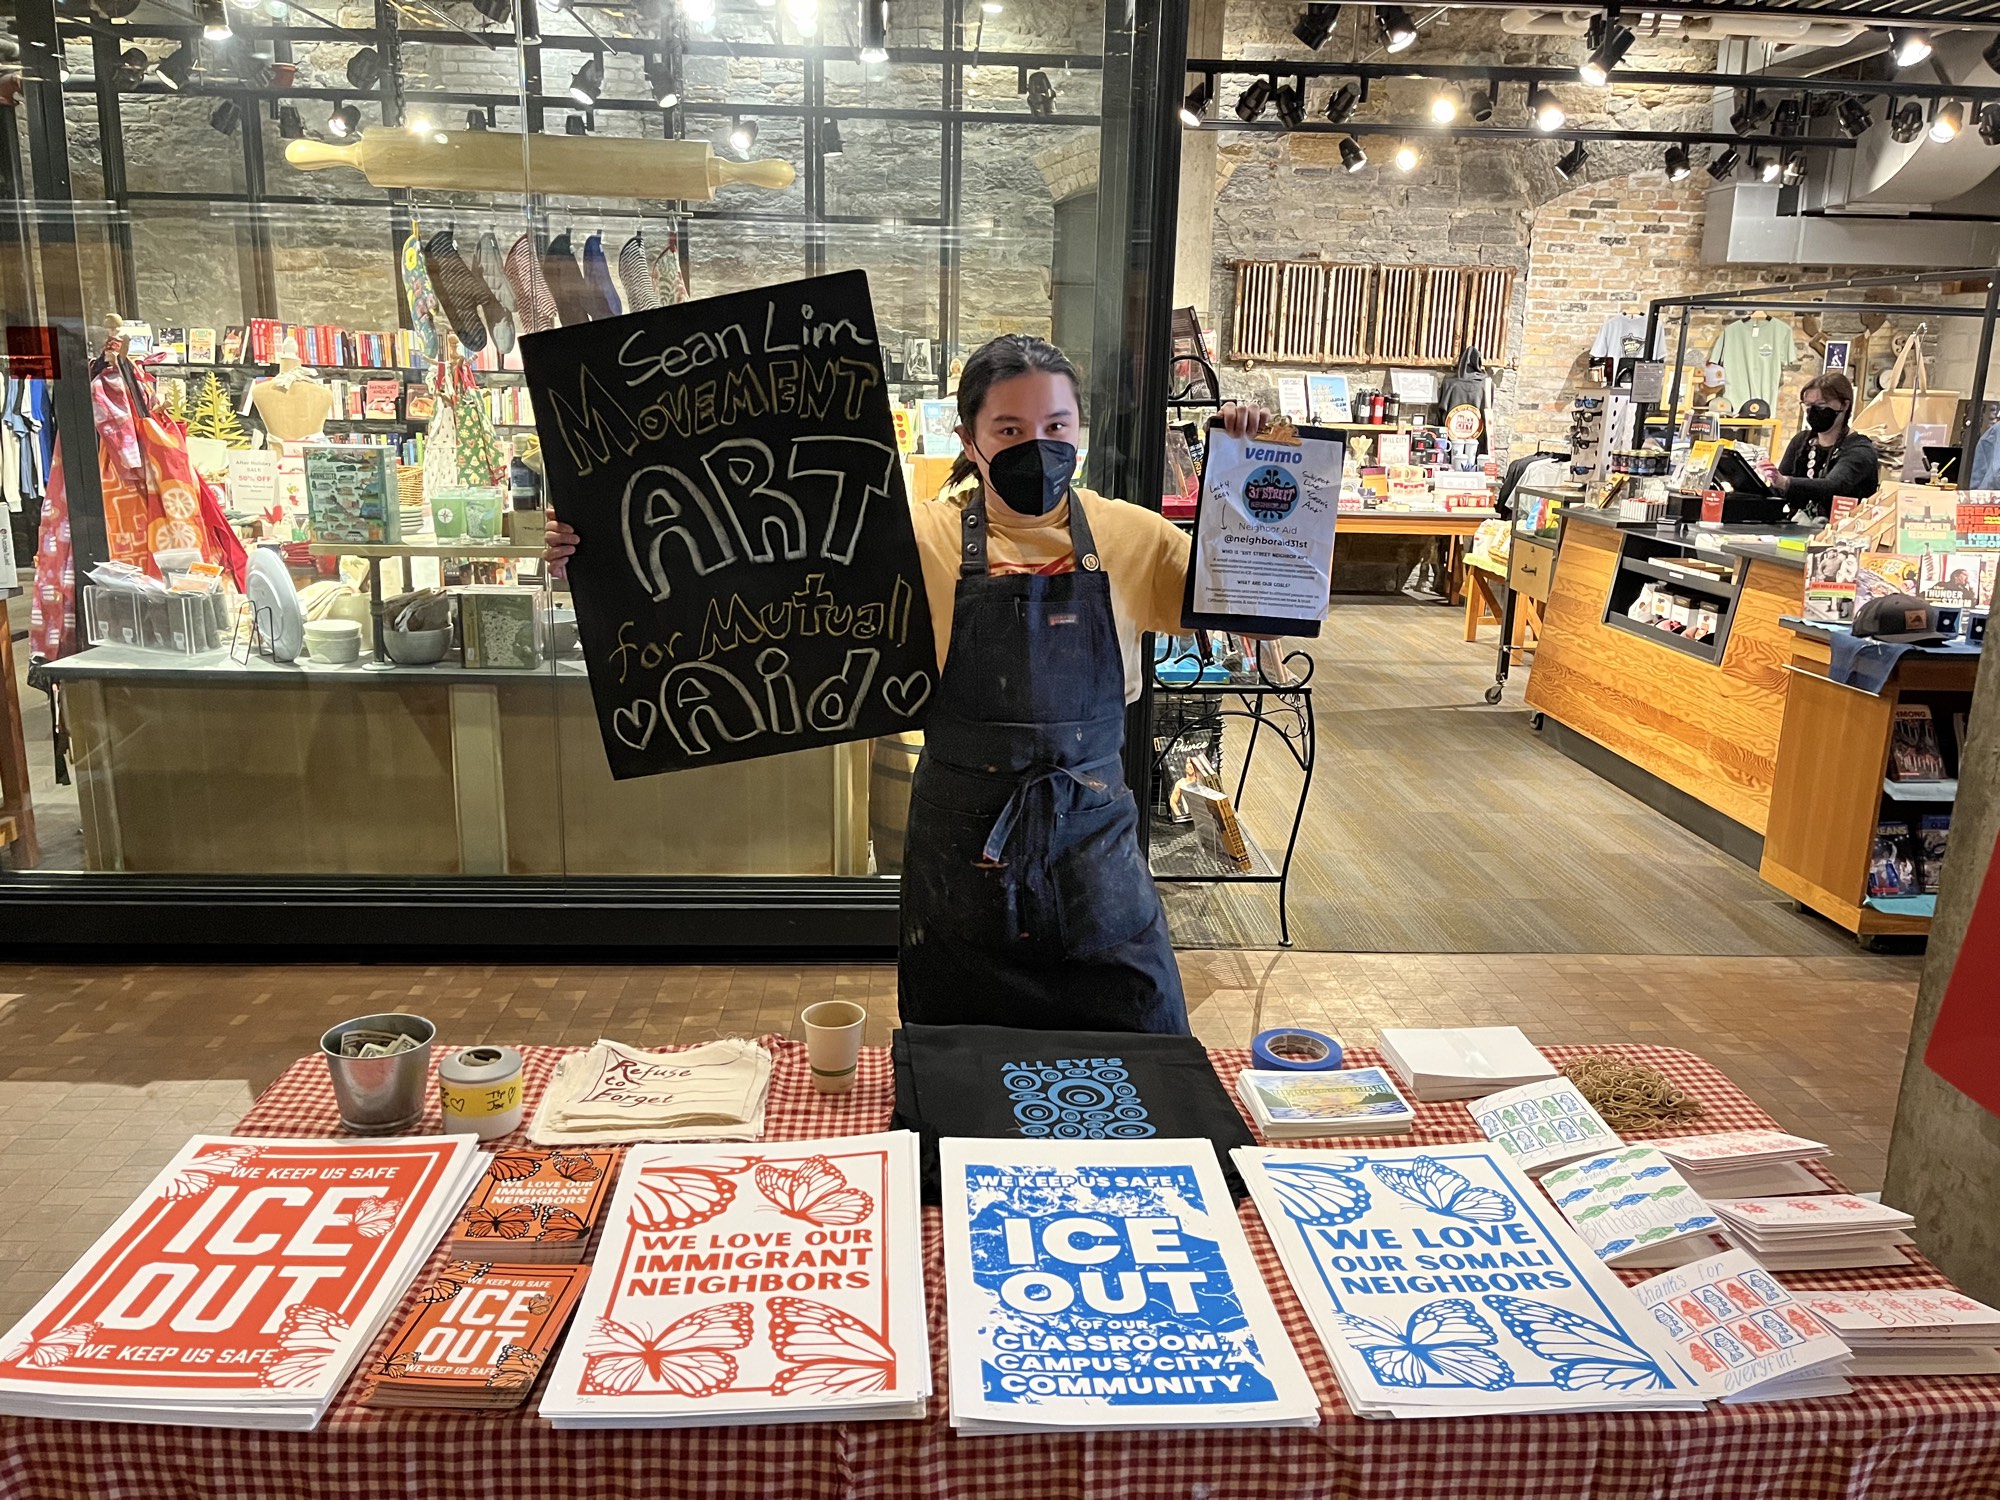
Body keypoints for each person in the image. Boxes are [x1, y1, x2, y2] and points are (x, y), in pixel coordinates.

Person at [544, 333, 1272, 1035]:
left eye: (1056, 425)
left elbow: (1264, 604)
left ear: (1080, 430)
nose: (1037, 445)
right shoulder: (915, 536)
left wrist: (1257, 469)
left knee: (1143, 1046)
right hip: (964, 852)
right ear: (969, 440)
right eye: (1010, 429)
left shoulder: (1134, 537)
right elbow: (753, 581)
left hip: (1095, 850)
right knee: (958, 1060)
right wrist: (603, 553)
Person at [1755, 371, 1879, 519]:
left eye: (1821, 405)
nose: (1813, 411)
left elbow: (1834, 486)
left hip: (1842, 528)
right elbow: (1778, 492)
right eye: (1808, 405)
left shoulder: (1860, 450)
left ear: (1845, 405)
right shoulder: (1801, 441)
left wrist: (1785, 482)